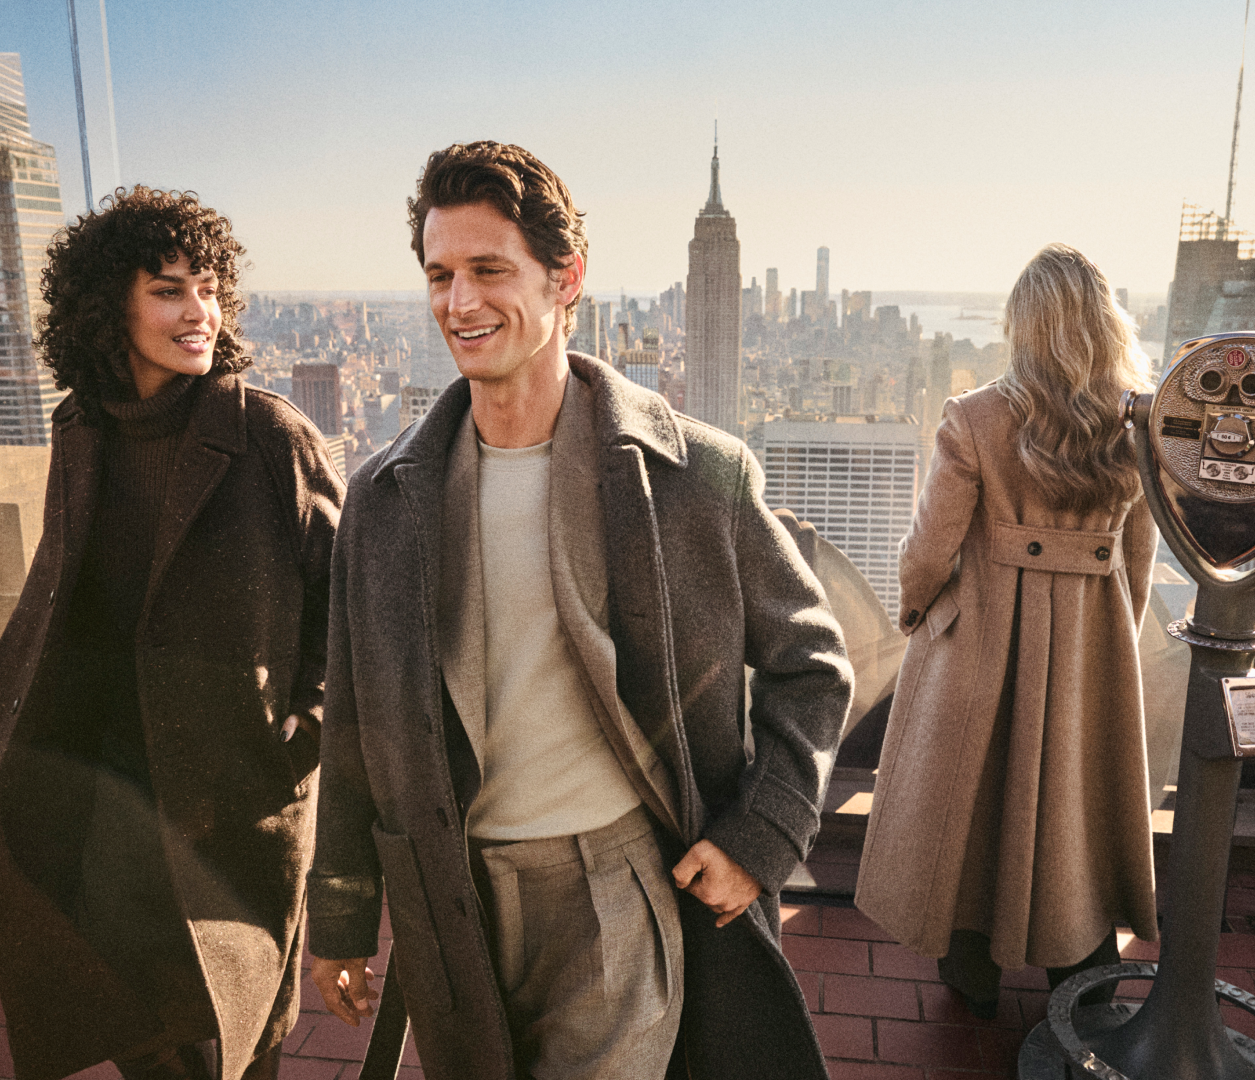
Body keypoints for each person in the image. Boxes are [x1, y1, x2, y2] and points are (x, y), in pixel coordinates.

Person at [304, 141, 853, 1080]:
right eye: (439, 275)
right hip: (451, 901)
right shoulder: (386, 501)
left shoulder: (697, 475)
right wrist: (345, 916)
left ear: (568, 280)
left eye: (488, 271)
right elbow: (356, 727)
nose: (458, 303)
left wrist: (760, 836)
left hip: (616, 887)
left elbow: (812, 664)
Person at [0, 187, 344, 1080]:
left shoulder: (267, 435)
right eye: (169, 290)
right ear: (111, 309)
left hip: (228, 782)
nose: (199, 311)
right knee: (131, 1012)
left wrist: (314, 717)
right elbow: (64, 585)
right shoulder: (81, 428)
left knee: (237, 1025)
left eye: (207, 287)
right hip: (105, 779)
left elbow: (348, 596)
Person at [854, 243, 1159, 1019]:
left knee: (974, 800)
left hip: (983, 639)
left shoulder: (976, 416)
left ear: (1020, 327)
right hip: (1093, 640)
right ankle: (1082, 973)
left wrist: (919, 612)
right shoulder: (1140, 419)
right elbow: (1139, 553)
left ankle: (971, 972)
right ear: (1104, 322)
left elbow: (930, 547)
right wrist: (1115, 630)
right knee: (1076, 800)